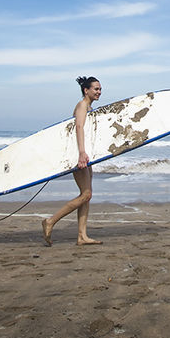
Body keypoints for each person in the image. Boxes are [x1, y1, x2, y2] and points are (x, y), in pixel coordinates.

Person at [42, 76, 104, 247]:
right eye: (96, 89)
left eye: (100, 89)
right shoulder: (82, 105)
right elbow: (79, 127)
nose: (99, 92)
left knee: (86, 196)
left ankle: (82, 236)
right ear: (86, 90)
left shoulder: (88, 106)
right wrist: (82, 153)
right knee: (86, 194)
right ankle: (50, 221)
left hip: (84, 155)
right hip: (78, 155)